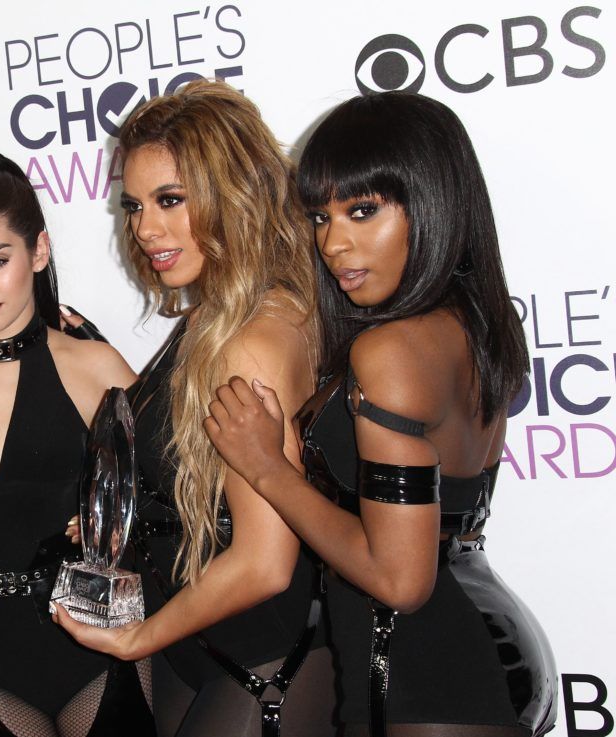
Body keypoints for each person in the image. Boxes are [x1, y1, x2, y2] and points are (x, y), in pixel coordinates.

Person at [203, 92, 557, 737]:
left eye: (363, 211)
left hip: (425, 669)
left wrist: (267, 469)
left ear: (433, 203)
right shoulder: (475, 326)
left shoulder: (390, 350)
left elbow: (400, 580)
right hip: (475, 641)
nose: (334, 243)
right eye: (320, 217)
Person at [54, 79, 335, 737]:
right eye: (134, 206)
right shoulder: (220, 314)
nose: (146, 228)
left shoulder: (253, 339)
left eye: (170, 200)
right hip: (207, 648)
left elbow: (267, 560)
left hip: (261, 658)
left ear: (232, 193)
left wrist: (138, 637)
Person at [0, 151, 155, 737]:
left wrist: (117, 517)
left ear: (38, 251)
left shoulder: (92, 364)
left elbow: (175, 486)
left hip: (95, 641)